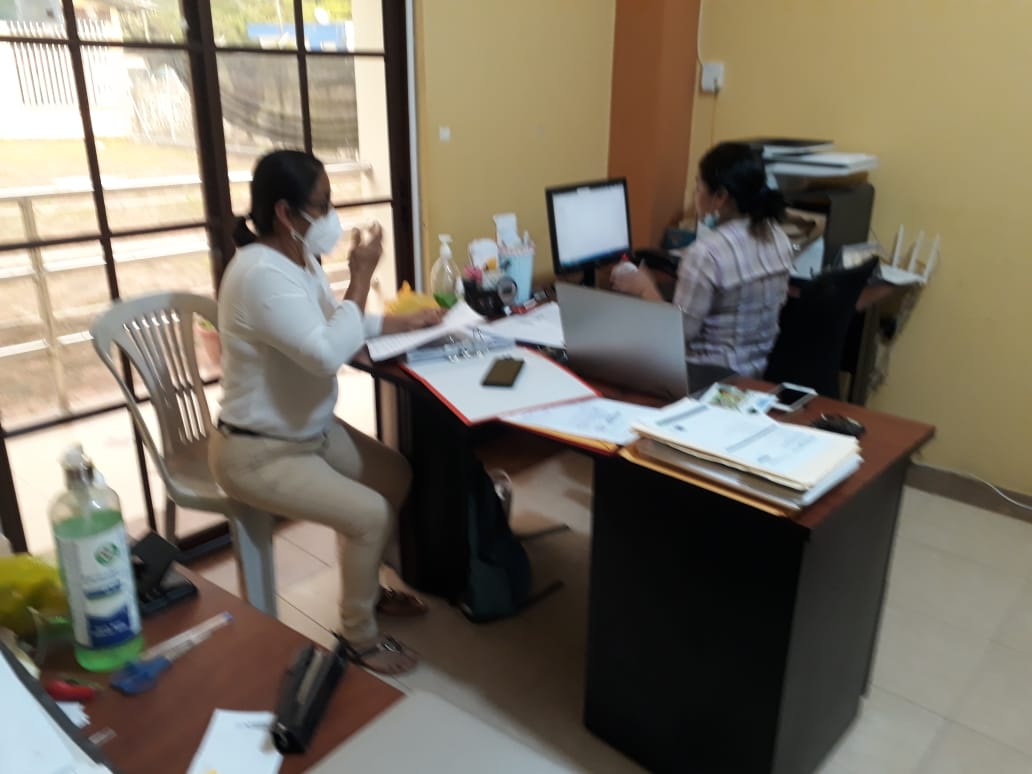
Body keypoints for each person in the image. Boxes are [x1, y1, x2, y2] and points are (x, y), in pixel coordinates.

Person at [209, 149, 443, 675]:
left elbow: (335, 322)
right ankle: (358, 636)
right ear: (284, 213)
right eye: (322, 204)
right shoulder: (258, 275)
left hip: (311, 431)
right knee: (370, 514)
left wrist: (402, 323)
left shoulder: (299, 259)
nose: (331, 216)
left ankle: (368, 588)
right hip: (258, 451)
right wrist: (361, 276)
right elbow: (324, 352)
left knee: (393, 476)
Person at [612, 142, 794, 377]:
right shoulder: (778, 236)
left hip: (704, 376)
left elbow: (676, 335)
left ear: (720, 196)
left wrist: (645, 288)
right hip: (754, 374)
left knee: (613, 359)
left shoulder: (706, 253)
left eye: (698, 187)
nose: (695, 194)